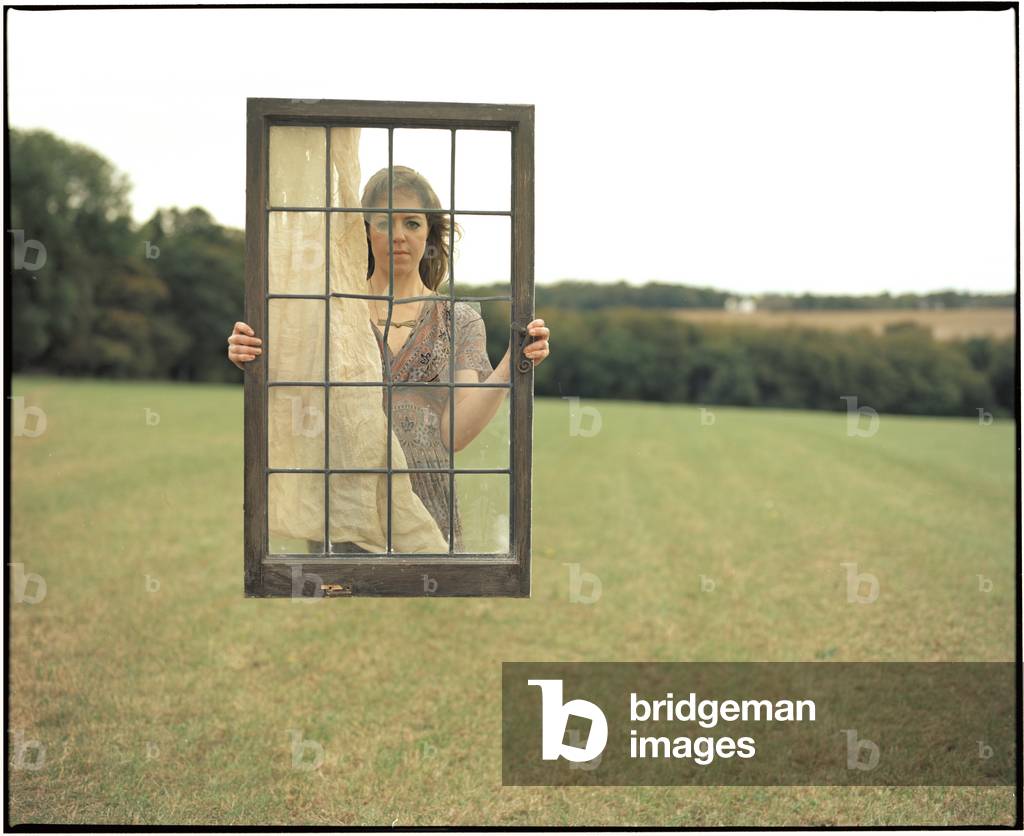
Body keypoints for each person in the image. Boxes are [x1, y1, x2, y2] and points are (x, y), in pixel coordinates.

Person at [227, 165, 550, 553]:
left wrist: (510, 364)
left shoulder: (459, 319)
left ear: (430, 233)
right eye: (384, 222)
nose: (398, 235)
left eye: (412, 223)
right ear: (365, 231)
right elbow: (295, 393)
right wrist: (250, 354)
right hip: (348, 512)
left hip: (429, 515)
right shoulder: (333, 311)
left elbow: (456, 434)